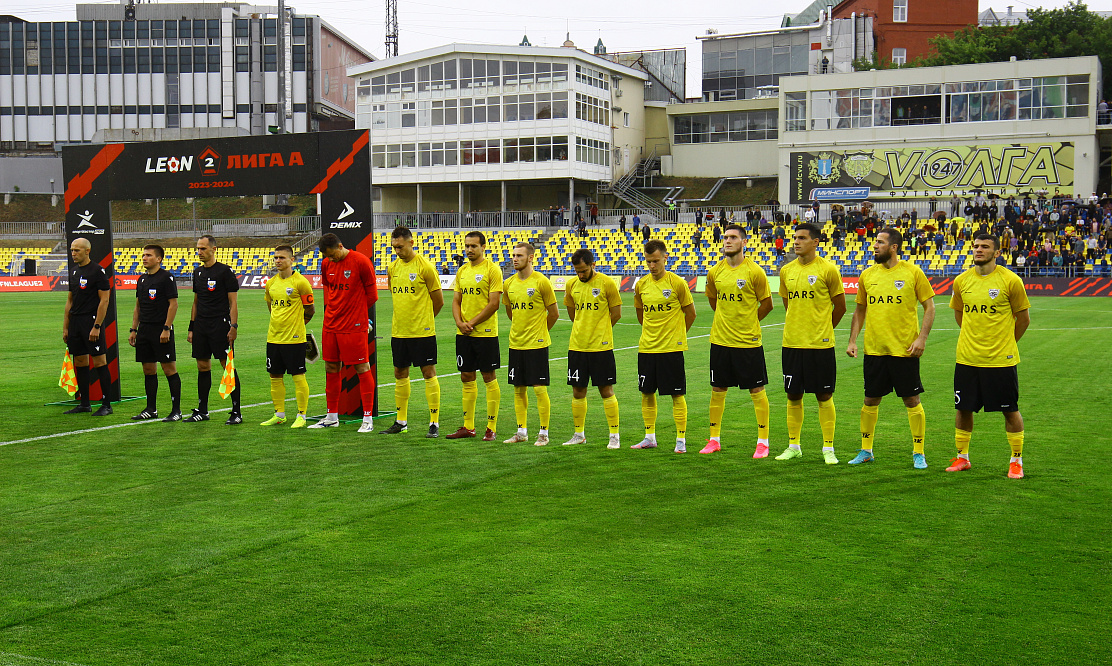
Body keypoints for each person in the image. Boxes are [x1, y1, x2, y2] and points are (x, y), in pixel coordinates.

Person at [844, 229, 936, 469]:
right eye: (875, 242)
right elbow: (860, 310)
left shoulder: (912, 273)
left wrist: (922, 338)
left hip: (904, 350)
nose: (875, 246)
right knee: (870, 399)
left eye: (880, 243)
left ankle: (918, 452)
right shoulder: (867, 275)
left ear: (894, 247)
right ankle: (866, 450)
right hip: (874, 349)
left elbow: (930, 307)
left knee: (911, 399)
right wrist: (852, 340)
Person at [947, 234, 1031, 479]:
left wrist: (1005, 342)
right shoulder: (961, 281)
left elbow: (1023, 319)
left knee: (1010, 410)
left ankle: (1016, 461)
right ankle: (963, 458)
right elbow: (960, 314)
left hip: (1000, 360)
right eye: (976, 246)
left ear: (996, 252)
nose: (979, 250)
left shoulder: (1010, 280)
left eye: (985, 247)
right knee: (963, 409)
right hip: (967, 358)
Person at [776, 222, 846, 464]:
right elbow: (788, 304)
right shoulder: (786, 271)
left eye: (802, 238)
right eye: (794, 238)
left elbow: (841, 306)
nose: (796, 242)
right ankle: (794, 445)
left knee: (824, 395)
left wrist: (823, 328)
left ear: (815, 242)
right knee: (793, 395)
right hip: (792, 343)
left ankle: (828, 448)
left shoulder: (828, 269)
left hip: (820, 345)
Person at [701, 224, 773, 456]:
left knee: (756, 388)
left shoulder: (755, 271)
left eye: (733, 237)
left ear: (744, 242)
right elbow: (713, 300)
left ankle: (763, 441)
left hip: (747, 342)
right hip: (720, 340)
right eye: (725, 237)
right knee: (718, 387)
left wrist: (749, 322)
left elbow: (767, 304)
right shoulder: (715, 272)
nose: (727, 241)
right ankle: (714, 439)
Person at [308, 233, 379, 432]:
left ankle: (367, 419)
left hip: (353, 326)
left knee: (362, 368)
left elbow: (372, 295)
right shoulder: (326, 264)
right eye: (328, 256)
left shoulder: (361, 262)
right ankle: (331, 417)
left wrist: (359, 316)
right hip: (331, 324)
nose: (331, 259)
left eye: (333, 255)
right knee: (331, 367)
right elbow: (330, 290)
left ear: (341, 246)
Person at [631, 240, 697, 453]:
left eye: (656, 261)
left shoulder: (677, 283)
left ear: (666, 258)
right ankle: (649, 437)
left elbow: (691, 313)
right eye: (648, 261)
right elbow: (641, 315)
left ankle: (681, 440)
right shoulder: (641, 285)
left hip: (671, 349)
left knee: (676, 394)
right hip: (647, 348)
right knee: (647, 393)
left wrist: (676, 335)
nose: (652, 265)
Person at [381, 226, 444, 438]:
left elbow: (438, 301)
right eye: (394, 247)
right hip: (399, 332)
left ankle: (434, 422)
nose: (397, 251)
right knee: (400, 373)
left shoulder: (425, 267)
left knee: (428, 372)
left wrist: (425, 320)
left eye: (400, 246)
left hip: (422, 332)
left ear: (411, 243)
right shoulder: (392, 268)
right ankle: (401, 421)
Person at [562, 249, 623, 448]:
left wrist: (601, 331)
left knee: (606, 390)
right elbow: (573, 314)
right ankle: (578, 434)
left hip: (601, 348)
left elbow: (616, 313)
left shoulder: (606, 283)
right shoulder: (571, 285)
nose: (581, 275)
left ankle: (614, 436)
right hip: (577, 346)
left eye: (584, 270)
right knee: (578, 391)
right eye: (577, 271)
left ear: (592, 265)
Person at [447, 231, 503, 440]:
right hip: (464, 334)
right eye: (467, 246)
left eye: (473, 246)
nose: (469, 250)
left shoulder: (492, 270)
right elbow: (456, 300)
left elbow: (494, 303)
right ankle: (468, 426)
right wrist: (459, 323)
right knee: (466, 376)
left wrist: (471, 323)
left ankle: (491, 427)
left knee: (488, 376)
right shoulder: (462, 271)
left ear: (483, 247)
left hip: (486, 334)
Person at [501, 242, 559, 446]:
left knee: (539, 388)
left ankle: (544, 432)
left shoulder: (542, 282)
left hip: (537, 344)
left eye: (519, 255)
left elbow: (554, 314)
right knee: (518, 388)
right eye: (513, 255)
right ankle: (521, 431)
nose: (515, 258)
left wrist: (540, 332)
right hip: (516, 343)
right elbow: (510, 311)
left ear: (531, 258)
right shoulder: (508, 284)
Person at [184, 235, 241, 424]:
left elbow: (233, 303)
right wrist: (192, 328)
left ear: (214, 249)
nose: (199, 252)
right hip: (201, 326)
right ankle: (202, 410)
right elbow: (196, 302)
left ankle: (236, 412)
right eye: (198, 249)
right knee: (202, 366)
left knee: (227, 367)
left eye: (203, 248)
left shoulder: (225, 272)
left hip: (220, 324)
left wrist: (233, 326)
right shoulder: (197, 273)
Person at [260, 245, 315, 428]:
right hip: (273, 338)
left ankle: (301, 415)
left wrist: (297, 325)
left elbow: (310, 310)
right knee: (275, 376)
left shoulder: (301, 282)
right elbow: (271, 308)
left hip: (294, 339)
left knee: (298, 376)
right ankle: (280, 414)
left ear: (292, 260)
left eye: (282, 258)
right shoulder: (271, 283)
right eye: (275, 257)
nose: (278, 261)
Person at [128, 244, 182, 422]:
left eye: (148, 255)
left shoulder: (166, 278)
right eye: (143, 255)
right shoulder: (142, 279)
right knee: (148, 370)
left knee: (169, 369)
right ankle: (151, 408)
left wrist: (167, 328)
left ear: (159, 259)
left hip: (161, 330)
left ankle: (176, 410)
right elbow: (138, 306)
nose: (144, 258)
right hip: (144, 330)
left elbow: (173, 304)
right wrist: (134, 329)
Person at [61, 237, 113, 416]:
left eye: (77, 250)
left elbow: (104, 300)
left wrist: (97, 325)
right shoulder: (74, 272)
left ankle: (106, 404)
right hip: (75, 323)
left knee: (99, 361)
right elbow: (70, 301)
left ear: (87, 251)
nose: (73, 253)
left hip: (91, 322)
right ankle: (85, 403)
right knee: (80, 361)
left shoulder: (98, 271)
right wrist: (66, 327)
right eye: (72, 250)